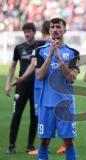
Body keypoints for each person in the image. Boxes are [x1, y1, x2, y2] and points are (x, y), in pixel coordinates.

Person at [12, 20, 67, 156]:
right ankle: (53, 145)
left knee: (44, 117)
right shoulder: (43, 45)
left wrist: (22, 78)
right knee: (44, 117)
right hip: (41, 86)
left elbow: (33, 65)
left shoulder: (44, 45)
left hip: (42, 87)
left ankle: (51, 145)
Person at [35, 18, 79, 160]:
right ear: (49, 31)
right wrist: (50, 56)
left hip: (65, 105)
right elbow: (40, 75)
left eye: (58, 27)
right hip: (46, 104)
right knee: (44, 141)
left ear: (64, 30)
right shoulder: (41, 51)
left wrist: (59, 59)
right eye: (52, 27)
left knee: (69, 142)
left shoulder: (73, 52)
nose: (55, 29)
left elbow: (71, 78)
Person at [5, 22, 46, 154]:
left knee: (34, 116)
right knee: (16, 115)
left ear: (34, 32)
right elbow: (12, 65)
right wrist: (8, 83)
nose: (27, 34)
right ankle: (11, 145)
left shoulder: (40, 45)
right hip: (21, 86)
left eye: (29, 31)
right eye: (25, 32)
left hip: (35, 86)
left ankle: (30, 145)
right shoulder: (19, 48)